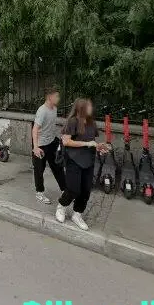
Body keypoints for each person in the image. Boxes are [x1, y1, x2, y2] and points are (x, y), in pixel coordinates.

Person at [56, 98, 108, 231]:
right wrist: (87, 144)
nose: (91, 108)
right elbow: (66, 141)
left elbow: (91, 141)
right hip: (73, 159)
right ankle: (61, 206)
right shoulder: (73, 121)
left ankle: (77, 214)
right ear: (81, 108)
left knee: (85, 191)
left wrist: (99, 147)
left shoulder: (92, 123)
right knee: (73, 189)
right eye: (88, 106)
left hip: (88, 160)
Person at [32, 87, 66, 204]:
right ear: (49, 97)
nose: (58, 98)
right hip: (40, 145)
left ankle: (64, 190)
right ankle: (39, 193)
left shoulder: (54, 108)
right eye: (56, 96)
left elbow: (50, 126)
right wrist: (36, 147)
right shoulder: (42, 111)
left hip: (51, 142)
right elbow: (35, 129)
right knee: (39, 170)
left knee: (58, 167)